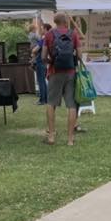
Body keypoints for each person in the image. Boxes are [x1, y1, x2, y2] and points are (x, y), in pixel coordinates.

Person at [43, 13, 81, 146]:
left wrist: (51, 61)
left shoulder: (49, 34)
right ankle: (70, 139)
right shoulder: (73, 34)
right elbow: (79, 54)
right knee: (71, 105)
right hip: (70, 72)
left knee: (51, 103)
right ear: (65, 21)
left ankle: (52, 136)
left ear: (55, 21)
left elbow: (43, 56)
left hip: (54, 72)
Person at [29, 22, 50, 105]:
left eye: (42, 28)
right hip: (44, 62)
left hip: (40, 61)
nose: (41, 30)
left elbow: (35, 50)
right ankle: (46, 99)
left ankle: (42, 100)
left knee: (41, 81)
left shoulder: (43, 39)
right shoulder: (48, 39)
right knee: (43, 81)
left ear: (46, 29)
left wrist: (33, 52)